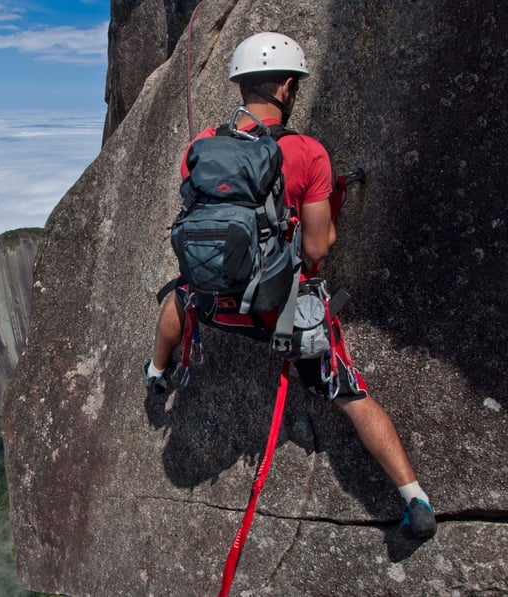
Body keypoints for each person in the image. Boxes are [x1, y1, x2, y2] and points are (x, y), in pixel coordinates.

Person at [143, 31, 436, 539]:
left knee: (178, 298)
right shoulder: (308, 153)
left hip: (216, 300)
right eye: (295, 84)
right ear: (284, 88)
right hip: (278, 309)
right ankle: (414, 498)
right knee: (351, 394)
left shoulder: (200, 146)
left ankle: (157, 372)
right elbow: (319, 249)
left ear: (240, 85)